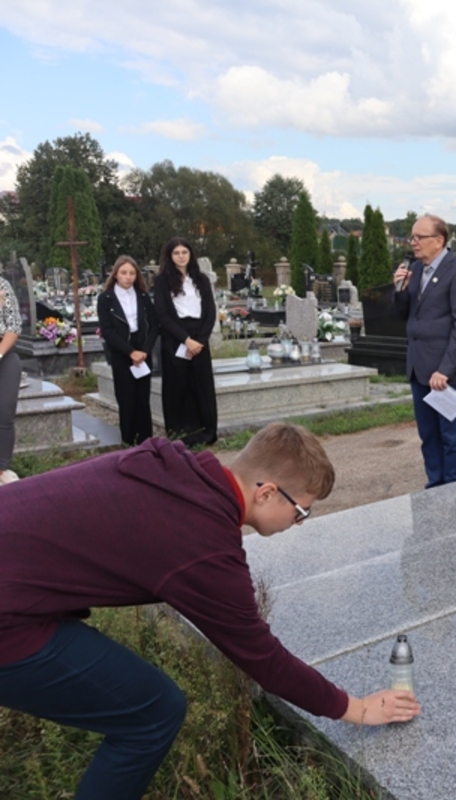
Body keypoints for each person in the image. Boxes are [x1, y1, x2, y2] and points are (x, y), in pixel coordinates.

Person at [0, 423, 422, 798]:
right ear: (267, 492)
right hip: (9, 618)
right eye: (301, 511)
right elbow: (264, 659)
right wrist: (356, 708)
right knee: (153, 711)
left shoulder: (173, 469)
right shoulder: (204, 542)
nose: (301, 522)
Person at [392, 215, 456, 487]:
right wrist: (400, 290)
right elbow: (405, 315)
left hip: (444, 373)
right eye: (412, 237)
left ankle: (454, 489)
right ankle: (434, 487)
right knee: (428, 435)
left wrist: (445, 370)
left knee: (451, 436)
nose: (413, 242)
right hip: (419, 367)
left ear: (438, 241)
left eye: (419, 237)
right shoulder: (416, 269)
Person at [153, 237, 217, 446]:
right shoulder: (162, 281)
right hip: (175, 336)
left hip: (199, 337)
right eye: (176, 253)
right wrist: (185, 340)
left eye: (184, 252)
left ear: (190, 254)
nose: (181, 256)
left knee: (201, 385)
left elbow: (210, 312)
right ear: (169, 256)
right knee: (178, 386)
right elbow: (162, 314)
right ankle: (180, 434)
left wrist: (199, 341)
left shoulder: (201, 280)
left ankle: (205, 432)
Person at [97, 256, 158, 445]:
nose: (128, 277)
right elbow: (107, 331)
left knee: (142, 398)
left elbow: (153, 325)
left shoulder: (143, 296)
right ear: (115, 274)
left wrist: (145, 351)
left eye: (132, 273)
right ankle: (129, 440)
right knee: (126, 398)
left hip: (143, 352)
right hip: (122, 352)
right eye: (124, 273)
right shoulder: (106, 299)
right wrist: (130, 352)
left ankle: (146, 441)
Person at [0, 275, 21, 484]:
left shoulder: (2, 285)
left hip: (4, 354)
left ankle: (2, 469)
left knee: (5, 411)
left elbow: (13, 326)